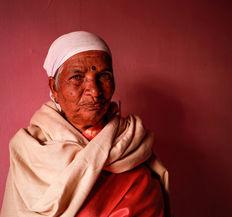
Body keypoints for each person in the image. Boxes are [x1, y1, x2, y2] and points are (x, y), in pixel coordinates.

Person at [1, 31, 171, 217]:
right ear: (53, 87)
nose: (95, 91)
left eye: (104, 76)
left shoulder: (132, 147)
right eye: (77, 77)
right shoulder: (29, 150)